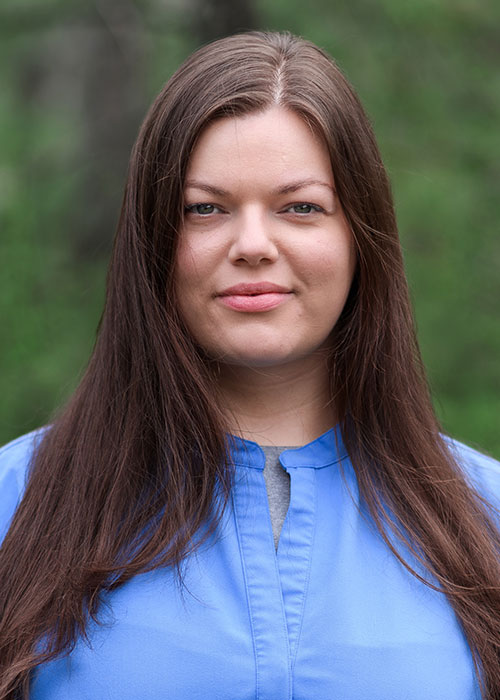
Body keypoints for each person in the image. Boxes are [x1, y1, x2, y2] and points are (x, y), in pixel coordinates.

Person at [0, 30, 499, 700]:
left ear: (361, 236)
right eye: (205, 209)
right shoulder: (17, 504)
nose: (254, 244)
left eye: (301, 207)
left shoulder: (484, 522)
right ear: (152, 239)